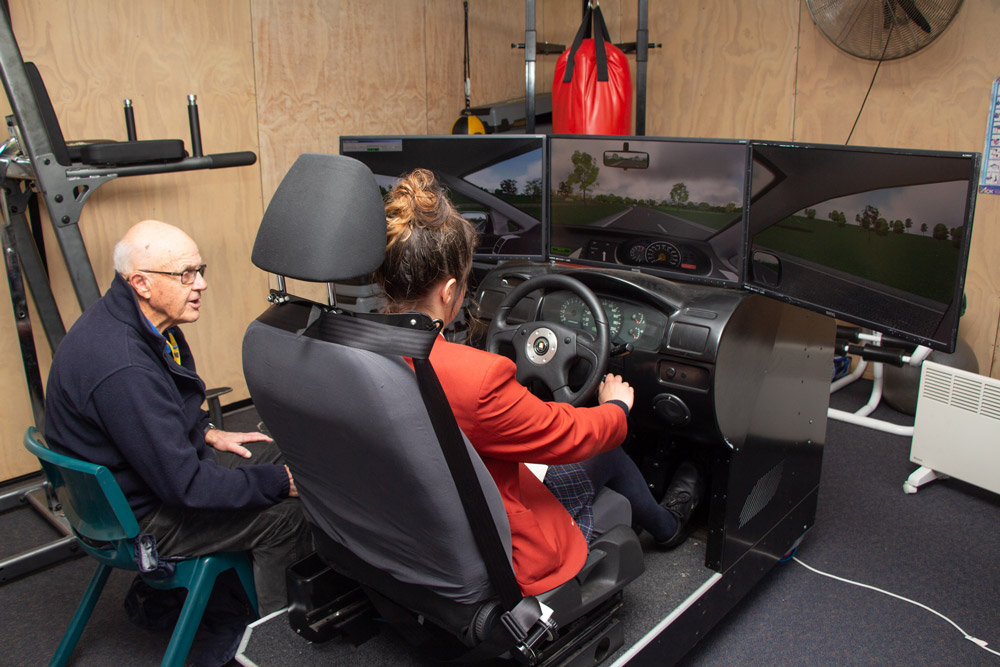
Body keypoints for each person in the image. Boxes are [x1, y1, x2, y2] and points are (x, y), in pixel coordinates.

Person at [373, 169, 704, 596]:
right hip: (500, 545)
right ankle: (668, 526)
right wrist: (616, 409)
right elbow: (568, 433)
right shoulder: (476, 378)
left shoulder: (355, 353)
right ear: (450, 291)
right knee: (609, 448)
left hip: (420, 523)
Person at [44, 220, 312, 619]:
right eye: (186, 274)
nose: (200, 284)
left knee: (278, 454)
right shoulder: (124, 366)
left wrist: (205, 430)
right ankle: (280, 635)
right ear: (142, 283)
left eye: (199, 271)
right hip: (140, 520)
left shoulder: (146, 323)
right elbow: (187, 486)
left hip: (135, 486)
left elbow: (167, 406)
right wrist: (280, 484)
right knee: (287, 514)